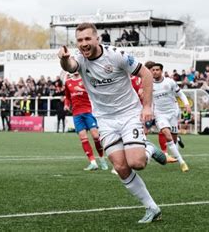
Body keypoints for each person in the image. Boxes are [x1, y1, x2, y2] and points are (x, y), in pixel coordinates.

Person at [58, 22, 166, 224]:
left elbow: (146, 74)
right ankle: (152, 208)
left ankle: (148, 149)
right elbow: (70, 66)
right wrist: (64, 60)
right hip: (105, 120)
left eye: (88, 39)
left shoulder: (116, 55)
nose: (84, 43)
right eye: (80, 40)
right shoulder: (79, 59)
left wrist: (147, 107)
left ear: (97, 39)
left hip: (128, 114)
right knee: (121, 167)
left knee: (137, 163)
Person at [148, 62, 190, 172]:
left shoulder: (170, 82)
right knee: (167, 136)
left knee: (174, 138)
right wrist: (150, 112)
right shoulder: (149, 84)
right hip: (160, 114)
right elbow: (150, 100)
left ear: (161, 71)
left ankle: (177, 145)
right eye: (153, 70)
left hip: (173, 112)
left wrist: (186, 104)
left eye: (157, 70)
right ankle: (182, 162)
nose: (155, 72)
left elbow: (180, 94)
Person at [64, 72, 108, 171]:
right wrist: (66, 104)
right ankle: (93, 162)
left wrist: (83, 90)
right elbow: (67, 97)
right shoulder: (68, 82)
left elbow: (96, 92)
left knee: (96, 136)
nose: (74, 70)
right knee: (83, 138)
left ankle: (102, 159)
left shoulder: (86, 79)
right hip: (76, 114)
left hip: (89, 112)